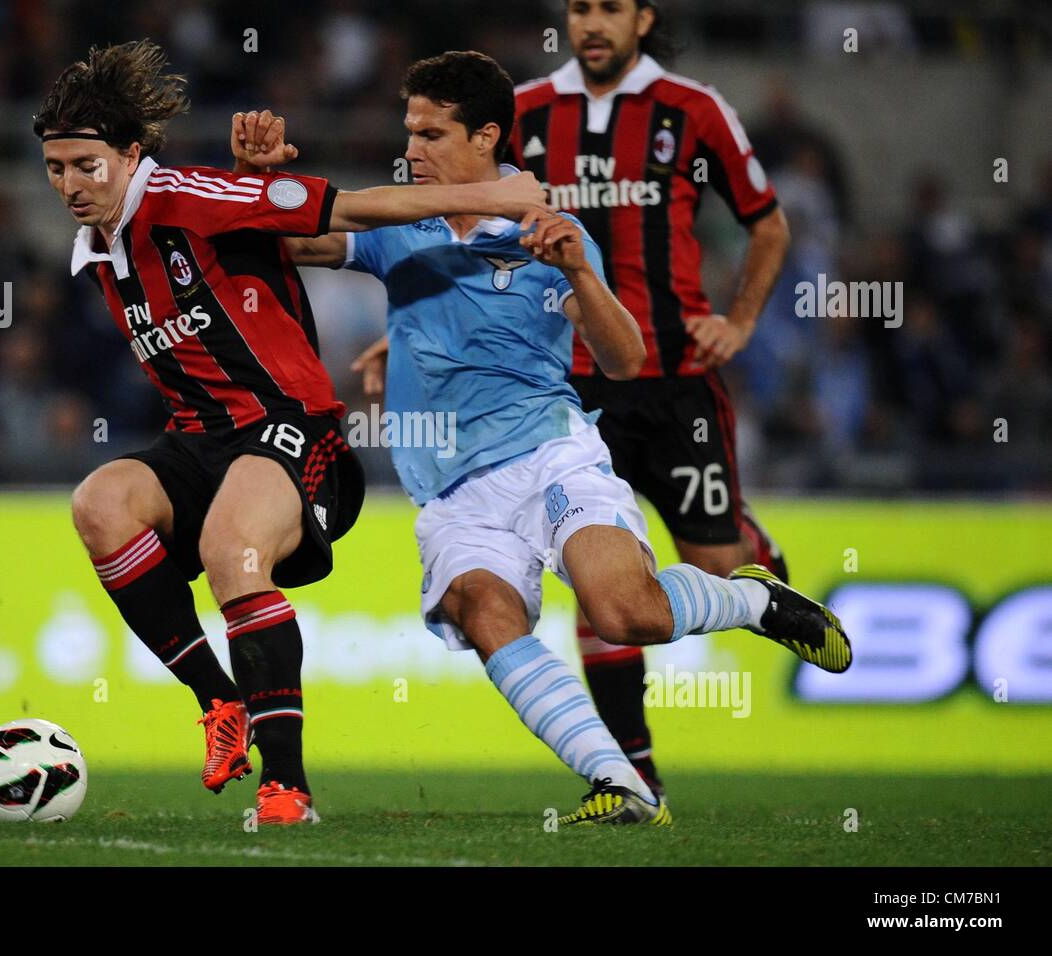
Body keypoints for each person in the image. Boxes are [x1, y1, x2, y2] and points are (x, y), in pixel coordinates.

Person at [265, 51, 850, 825]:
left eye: (431, 132)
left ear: (486, 138)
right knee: (484, 610)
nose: (412, 148)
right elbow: (287, 244)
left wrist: (581, 275)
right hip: (449, 491)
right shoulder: (395, 229)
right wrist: (258, 177)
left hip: (551, 454)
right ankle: (622, 783)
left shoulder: (552, 233)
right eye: (409, 130)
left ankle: (751, 603)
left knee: (623, 613)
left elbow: (624, 357)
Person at [36, 40, 549, 825]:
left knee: (231, 550)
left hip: (291, 430)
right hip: (200, 441)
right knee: (99, 502)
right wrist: (260, 182)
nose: (71, 184)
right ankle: (220, 703)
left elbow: (347, 210)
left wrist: (498, 196)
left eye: (86, 165)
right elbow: (259, 256)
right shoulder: (101, 248)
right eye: (57, 168)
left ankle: (287, 789)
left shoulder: (184, 195)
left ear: (131, 155)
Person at [509, 0, 794, 798]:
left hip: (675, 385)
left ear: (643, 17)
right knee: (598, 580)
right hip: (571, 388)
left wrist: (738, 321)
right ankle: (633, 768)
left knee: (718, 565)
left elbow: (767, 225)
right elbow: (465, 228)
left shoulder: (695, 111)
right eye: (579, 8)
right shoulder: (525, 111)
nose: (591, 23)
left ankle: (750, 547)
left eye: (609, 9)